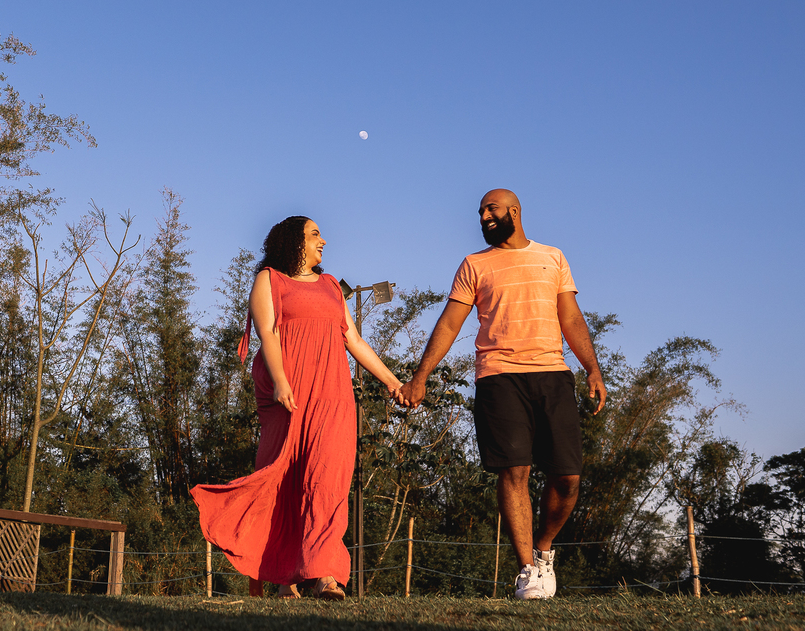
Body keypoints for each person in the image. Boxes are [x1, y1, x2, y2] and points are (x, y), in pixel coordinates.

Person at [397, 189, 607, 600]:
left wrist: (593, 369)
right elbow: (449, 323)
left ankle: (544, 550)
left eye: (490, 209)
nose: (483, 217)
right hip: (498, 377)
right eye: (480, 212)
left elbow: (571, 317)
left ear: (514, 211)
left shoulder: (553, 257)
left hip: (552, 374)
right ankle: (528, 569)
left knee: (568, 478)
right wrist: (420, 376)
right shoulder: (475, 265)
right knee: (515, 472)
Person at [191, 216, 407, 600]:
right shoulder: (269, 280)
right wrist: (280, 380)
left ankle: (323, 574)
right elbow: (268, 332)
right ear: (294, 241)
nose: (323, 240)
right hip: (286, 391)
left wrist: (392, 382)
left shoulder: (330, 286)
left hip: (333, 392)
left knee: (328, 478)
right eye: (314, 234)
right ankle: (281, 574)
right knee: (283, 475)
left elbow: (353, 340)